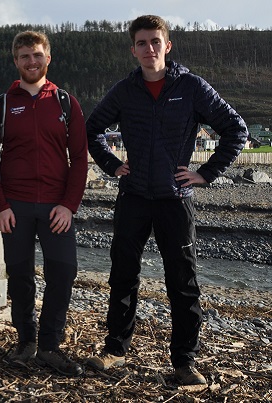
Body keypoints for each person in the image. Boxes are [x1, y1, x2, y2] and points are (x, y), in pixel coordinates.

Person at [85, 15, 248, 385]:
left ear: (167, 45)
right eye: (141, 43)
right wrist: (112, 164)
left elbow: (235, 130)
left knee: (183, 280)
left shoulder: (191, 87)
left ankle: (184, 362)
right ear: (133, 50)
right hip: (134, 197)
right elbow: (91, 129)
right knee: (123, 276)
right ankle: (114, 351)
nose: (149, 49)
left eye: (155, 41)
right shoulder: (125, 90)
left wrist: (205, 173)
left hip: (176, 199)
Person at [0, 30, 88, 376]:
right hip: (15, 206)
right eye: (25, 56)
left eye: (38, 55)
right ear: (16, 61)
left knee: (63, 271)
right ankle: (26, 341)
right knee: (20, 275)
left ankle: (49, 346)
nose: (32, 61)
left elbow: (79, 159)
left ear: (49, 58)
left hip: (56, 207)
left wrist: (69, 205)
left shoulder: (65, 103)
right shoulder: (0, 105)